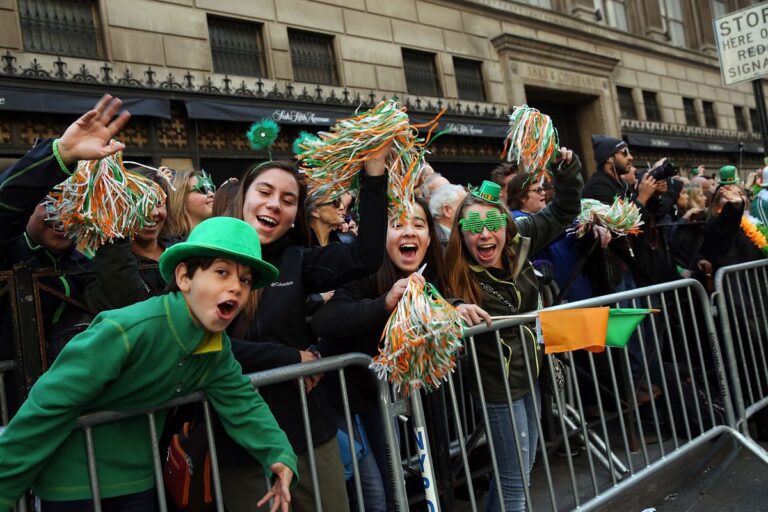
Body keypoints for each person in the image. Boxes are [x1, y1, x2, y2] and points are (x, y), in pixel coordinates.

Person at [0, 216, 298, 512]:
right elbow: (47, 405)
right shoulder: (126, 330)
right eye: (222, 272)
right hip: (73, 485)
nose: (236, 287)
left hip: (140, 482)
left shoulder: (214, 349)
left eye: (245, 280)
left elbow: (242, 402)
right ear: (184, 277)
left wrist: (279, 455)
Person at [218, 147, 389, 512]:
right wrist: (292, 358)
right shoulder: (203, 259)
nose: (275, 205)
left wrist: (374, 174)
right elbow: (211, 347)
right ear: (243, 197)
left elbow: (367, 257)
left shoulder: (298, 261)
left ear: (297, 214)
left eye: (288, 199)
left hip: (309, 433)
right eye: (265, 192)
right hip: (240, 442)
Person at [312, 198, 489, 511]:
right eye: (397, 225)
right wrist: (384, 303)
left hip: (374, 396)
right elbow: (325, 320)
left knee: (396, 490)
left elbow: (438, 301)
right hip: (335, 397)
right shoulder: (362, 274)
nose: (409, 232)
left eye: (419, 225)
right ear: (381, 236)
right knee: (374, 496)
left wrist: (455, 306)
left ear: (430, 237)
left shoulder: (428, 273)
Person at [445, 148, 583, 512]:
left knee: (522, 468)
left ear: (507, 226)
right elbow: (431, 295)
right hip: (495, 384)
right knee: (515, 479)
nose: (485, 236)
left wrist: (566, 172)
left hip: (530, 372)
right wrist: (456, 307)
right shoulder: (454, 264)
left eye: (493, 226)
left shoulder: (522, 237)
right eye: (474, 228)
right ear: (462, 233)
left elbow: (564, 210)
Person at [164, 170, 216, 239]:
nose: (212, 194)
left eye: (212, 189)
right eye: (203, 190)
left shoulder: (220, 236)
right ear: (181, 198)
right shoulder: (168, 246)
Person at [428, 183, 466, 249]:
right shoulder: (431, 241)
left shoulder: (459, 234)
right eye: (464, 205)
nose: (469, 209)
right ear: (447, 210)